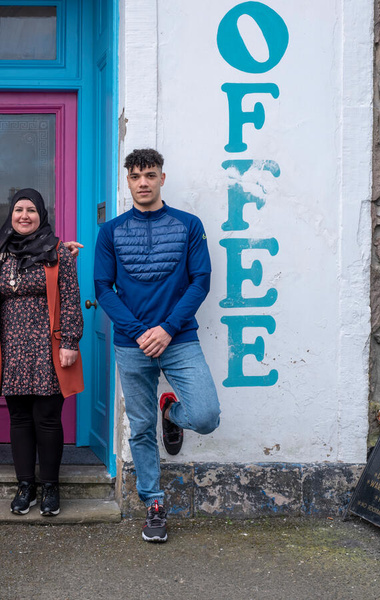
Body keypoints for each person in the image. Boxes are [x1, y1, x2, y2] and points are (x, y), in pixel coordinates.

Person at [94, 148, 220, 543]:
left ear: (162, 178)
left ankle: (172, 412)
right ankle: (153, 502)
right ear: (128, 181)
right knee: (141, 427)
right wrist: (138, 332)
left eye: (150, 175)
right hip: (132, 344)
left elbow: (200, 281)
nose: (143, 182)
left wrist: (166, 328)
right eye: (135, 176)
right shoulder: (110, 231)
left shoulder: (189, 225)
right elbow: (103, 288)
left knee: (205, 416)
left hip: (178, 338)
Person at [0, 188, 83, 517]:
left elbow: (70, 298)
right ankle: (25, 486)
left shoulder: (57, 251)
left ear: (41, 215)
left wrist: (70, 342)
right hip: (11, 350)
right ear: (10, 214)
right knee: (20, 419)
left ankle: (51, 486)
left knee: (48, 419)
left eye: (31, 211)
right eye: (18, 210)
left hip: (48, 349)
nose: (24, 216)